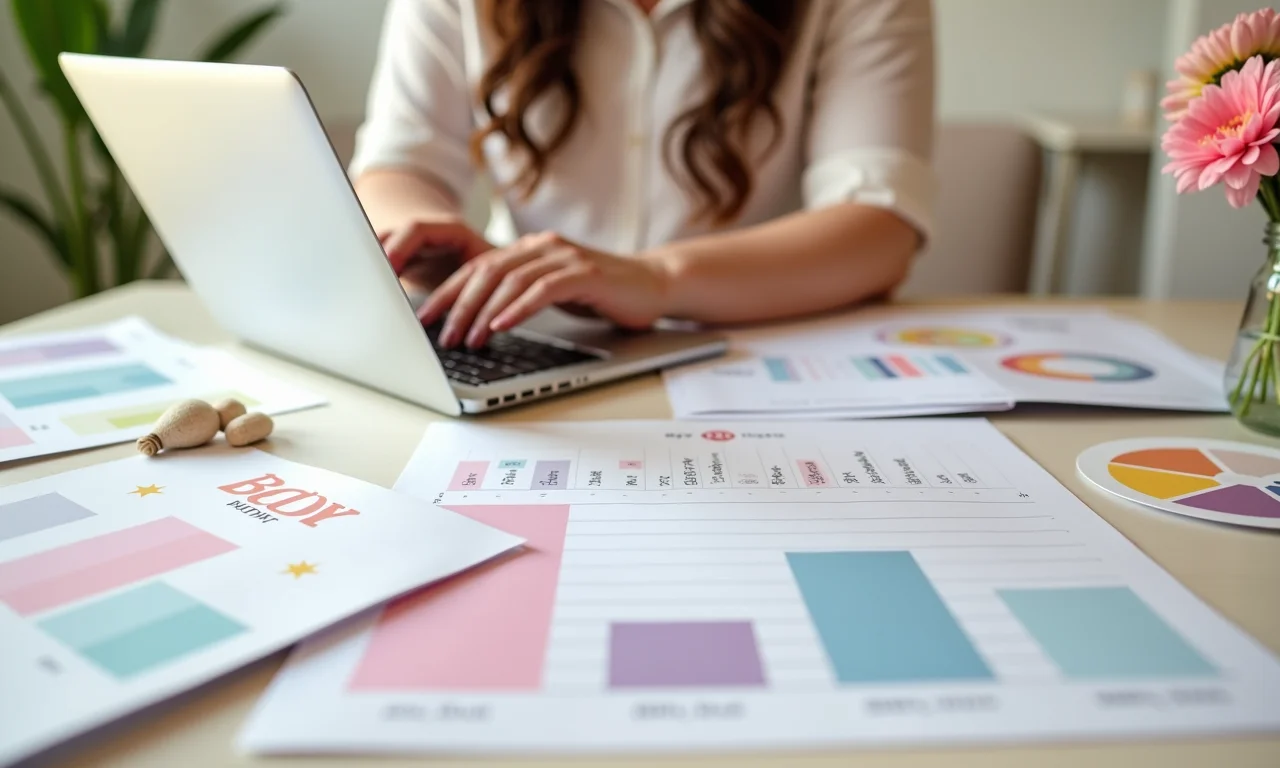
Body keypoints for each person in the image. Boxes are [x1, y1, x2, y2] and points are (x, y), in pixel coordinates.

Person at [353, 0, 934, 349]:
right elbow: (398, 167)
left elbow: (880, 228)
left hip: (757, 343)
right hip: (527, 336)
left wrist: (656, 279)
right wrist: (424, 234)